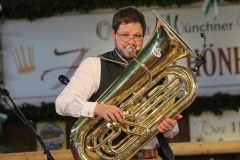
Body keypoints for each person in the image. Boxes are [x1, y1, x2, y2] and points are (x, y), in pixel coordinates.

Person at [56, 6, 182, 160]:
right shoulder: (95, 65)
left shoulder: (155, 70)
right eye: (124, 35)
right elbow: (62, 103)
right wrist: (98, 108)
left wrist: (168, 126)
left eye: (137, 36)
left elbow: (171, 129)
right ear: (113, 34)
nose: (131, 41)